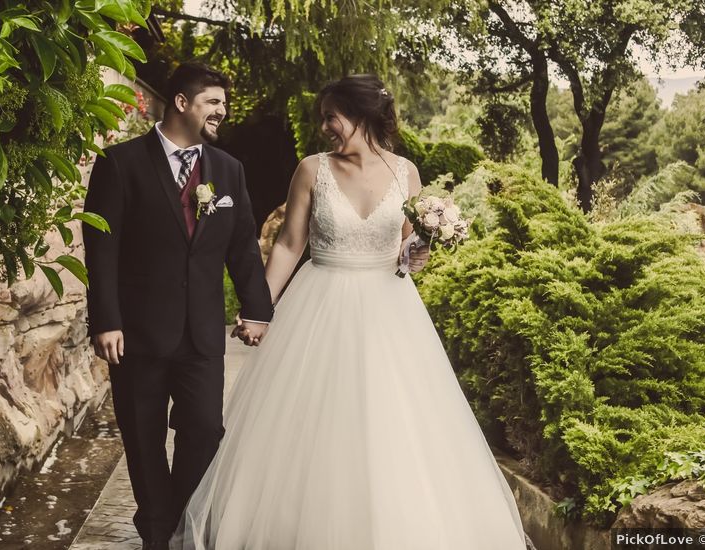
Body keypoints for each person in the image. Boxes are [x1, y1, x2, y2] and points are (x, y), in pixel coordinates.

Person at [171, 74, 528, 549]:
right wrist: (260, 308)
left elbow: (406, 250)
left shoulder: (406, 172)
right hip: (319, 303)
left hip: (389, 313)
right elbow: (289, 245)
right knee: (309, 422)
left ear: (360, 117)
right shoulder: (311, 169)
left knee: (390, 423)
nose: (325, 127)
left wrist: (417, 252)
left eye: (331, 117)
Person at [82, 63, 274, 550]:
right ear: (183, 103)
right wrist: (106, 319)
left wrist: (257, 309)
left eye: (224, 104)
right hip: (138, 332)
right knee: (143, 437)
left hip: (202, 334)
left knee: (206, 429)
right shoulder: (120, 163)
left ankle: (176, 516)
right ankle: (156, 530)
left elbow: (243, 249)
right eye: (213, 102)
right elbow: (102, 248)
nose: (222, 111)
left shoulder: (229, 170)